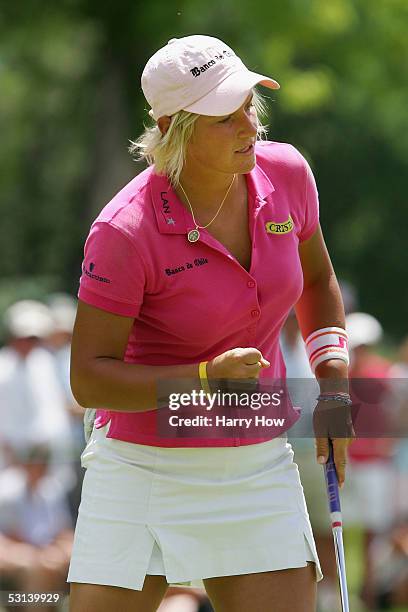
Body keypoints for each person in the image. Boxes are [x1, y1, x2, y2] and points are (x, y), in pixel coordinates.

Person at [67, 35, 353, 612]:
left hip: (257, 458)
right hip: (141, 468)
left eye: (249, 104)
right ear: (174, 129)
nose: (249, 125)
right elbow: (89, 379)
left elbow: (318, 282)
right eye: (226, 116)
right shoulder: (123, 229)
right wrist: (199, 377)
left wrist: (335, 388)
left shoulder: (287, 173)